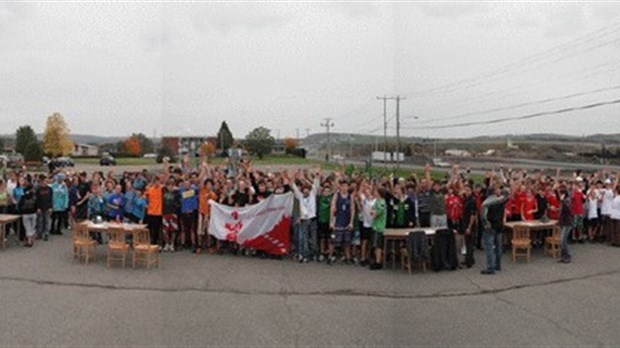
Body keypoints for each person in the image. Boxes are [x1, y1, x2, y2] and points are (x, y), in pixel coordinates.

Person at [291, 172, 319, 263]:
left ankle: (314, 253)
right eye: (304, 190)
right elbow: (293, 186)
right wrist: (293, 176)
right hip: (304, 220)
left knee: (314, 240)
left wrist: (310, 178)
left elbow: (316, 184)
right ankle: (305, 255)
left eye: (307, 189)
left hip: (313, 219)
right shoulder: (300, 197)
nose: (306, 191)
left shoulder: (312, 195)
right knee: (305, 239)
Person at [480, 185, 508, 275]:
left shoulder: (486, 203)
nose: (500, 190)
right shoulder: (501, 200)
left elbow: (483, 216)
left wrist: (486, 225)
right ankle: (498, 265)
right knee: (498, 247)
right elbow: (507, 193)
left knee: (490, 248)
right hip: (499, 226)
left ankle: (490, 268)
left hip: (491, 227)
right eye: (498, 189)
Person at [328, 180, 355, 265]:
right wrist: (331, 222)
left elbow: (352, 209)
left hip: (346, 220)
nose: (344, 188)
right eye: (343, 186)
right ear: (340, 187)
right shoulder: (337, 195)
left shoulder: (350, 196)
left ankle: (348, 257)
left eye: (346, 186)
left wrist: (351, 222)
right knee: (333, 240)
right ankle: (330, 256)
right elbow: (332, 208)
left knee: (347, 241)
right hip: (337, 220)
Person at [369, 186, 387, 270]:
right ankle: (377, 259)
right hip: (375, 225)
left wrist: (372, 212)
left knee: (378, 245)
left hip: (379, 226)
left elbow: (376, 214)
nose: (374, 193)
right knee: (375, 245)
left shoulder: (381, 202)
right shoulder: (377, 201)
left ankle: (378, 262)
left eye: (376, 192)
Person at [162, 178, 180, 252]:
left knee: (173, 230)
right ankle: (167, 243)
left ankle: (172, 244)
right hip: (165, 213)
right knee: (165, 230)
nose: (170, 187)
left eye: (172, 185)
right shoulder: (163, 191)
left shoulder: (177, 192)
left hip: (173, 213)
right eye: (169, 185)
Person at [461, 185, 477, 268]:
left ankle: (469, 261)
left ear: (471, 191)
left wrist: (469, 227)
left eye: (468, 191)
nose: (467, 192)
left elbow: (473, 215)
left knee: (470, 243)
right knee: (467, 242)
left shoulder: (472, 201)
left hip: (470, 224)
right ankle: (470, 258)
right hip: (465, 222)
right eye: (465, 190)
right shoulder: (465, 199)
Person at [19, 180, 37, 248]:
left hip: (26, 214)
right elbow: (37, 204)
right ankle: (31, 239)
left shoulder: (23, 197)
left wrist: (21, 212)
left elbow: (20, 205)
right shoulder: (34, 196)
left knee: (27, 227)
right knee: (32, 226)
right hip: (33, 213)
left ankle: (29, 240)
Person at [35, 175, 53, 241]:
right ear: (42, 181)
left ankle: (46, 234)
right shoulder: (38, 189)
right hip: (40, 207)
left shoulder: (50, 189)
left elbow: (51, 199)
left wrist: (51, 207)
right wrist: (37, 207)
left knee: (47, 221)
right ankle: (39, 233)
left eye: (46, 181)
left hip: (47, 207)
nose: (46, 182)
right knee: (40, 221)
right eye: (45, 181)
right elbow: (37, 199)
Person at [558, 186, 573, 262]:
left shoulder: (567, 200)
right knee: (562, 241)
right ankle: (563, 256)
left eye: (561, 193)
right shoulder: (562, 201)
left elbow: (567, 210)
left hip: (567, 222)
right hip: (562, 222)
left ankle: (567, 256)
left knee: (563, 240)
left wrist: (563, 201)